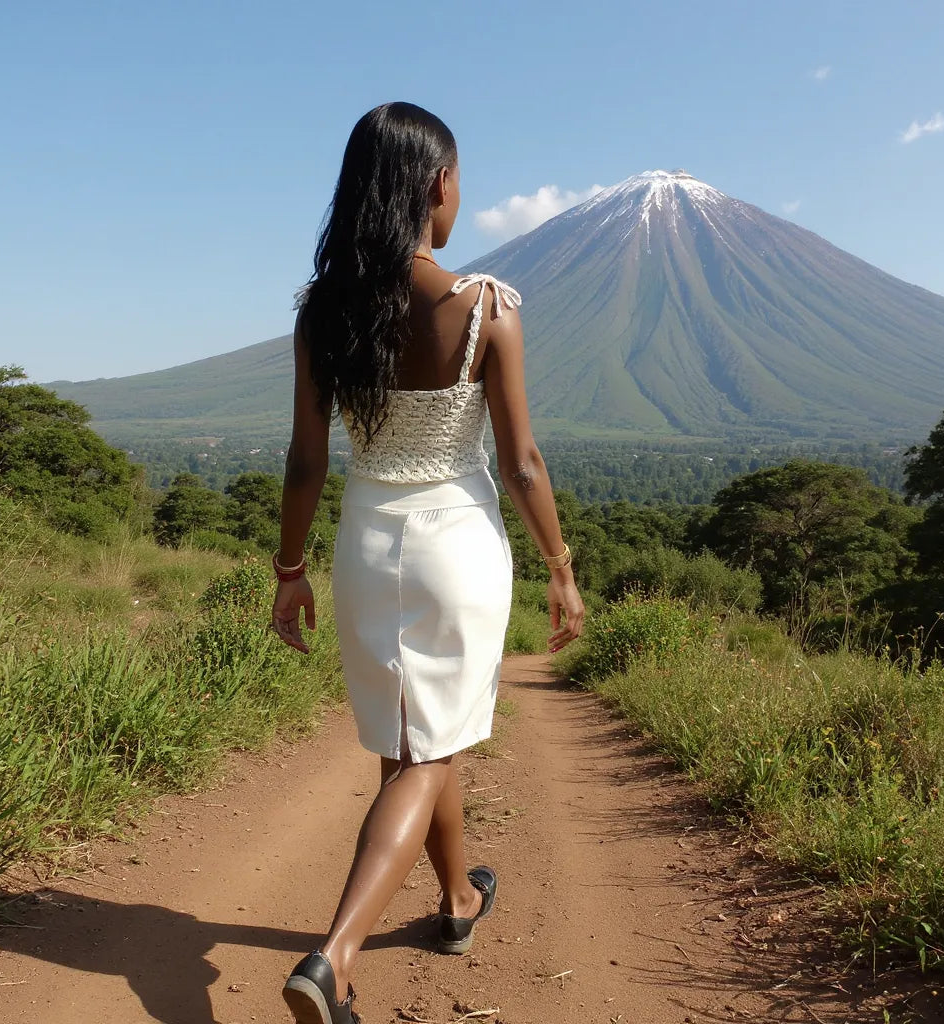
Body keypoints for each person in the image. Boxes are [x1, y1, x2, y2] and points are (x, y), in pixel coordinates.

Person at [270, 101, 585, 1024]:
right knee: (429, 744)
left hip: (366, 544)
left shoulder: (323, 313)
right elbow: (522, 462)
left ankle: (455, 902)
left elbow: (304, 460)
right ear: (437, 186)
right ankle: (334, 958)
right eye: (459, 181)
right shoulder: (488, 307)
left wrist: (289, 572)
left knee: (415, 739)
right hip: (459, 545)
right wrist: (560, 565)